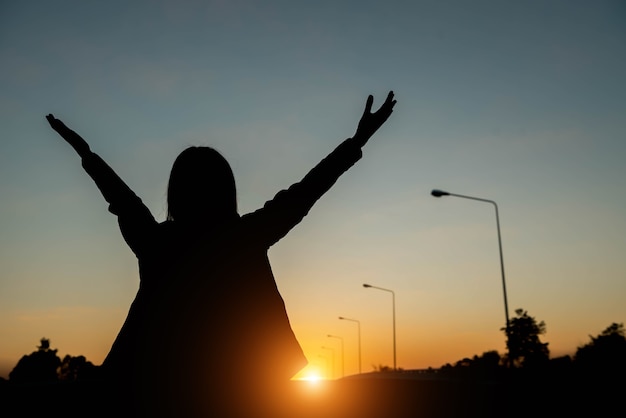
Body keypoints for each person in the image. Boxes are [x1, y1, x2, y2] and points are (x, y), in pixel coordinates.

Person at [45, 91, 396, 417]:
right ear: (227, 189)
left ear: (175, 192)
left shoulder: (157, 241)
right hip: (240, 393)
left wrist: (86, 154)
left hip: (154, 390)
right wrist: (357, 141)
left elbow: (123, 201)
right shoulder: (243, 236)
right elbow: (305, 192)